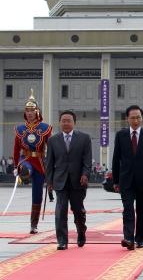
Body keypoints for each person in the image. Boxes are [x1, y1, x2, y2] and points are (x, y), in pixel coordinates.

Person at [112, 105, 143, 250]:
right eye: (133, 118)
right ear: (128, 119)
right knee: (127, 209)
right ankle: (128, 239)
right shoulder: (121, 135)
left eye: (138, 117)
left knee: (142, 211)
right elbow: (116, 159)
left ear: (142, 118)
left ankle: (140, 239)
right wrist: (115, 180)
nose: (136, 120)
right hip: (126, 180)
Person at [45, 110, 92, 250]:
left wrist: (85, 174)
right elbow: (49, 162)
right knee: (60, 211)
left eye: (68, 120)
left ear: (74, 122)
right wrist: (49, 181)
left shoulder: (84, 138)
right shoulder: (53, 140)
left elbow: (87, 160)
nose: (65, 123)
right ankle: (62, 241)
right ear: (59, 123)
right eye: (63, 121)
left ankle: (81, 232)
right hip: (60, 181)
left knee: (78, 211)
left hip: (78, 181)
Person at [12, 89, 52, 234]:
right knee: (26, 169)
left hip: (40, 161)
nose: (29, 113)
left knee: (37, 194)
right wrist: (16, 165)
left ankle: (33, 225)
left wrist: (51, 166)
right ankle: (24, 174)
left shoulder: (45, 128)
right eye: (27, 110)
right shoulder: (20, 129)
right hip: (26, 159)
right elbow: (16, 149)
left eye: (32, 110)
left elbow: (51, 149)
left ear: (37, 112)